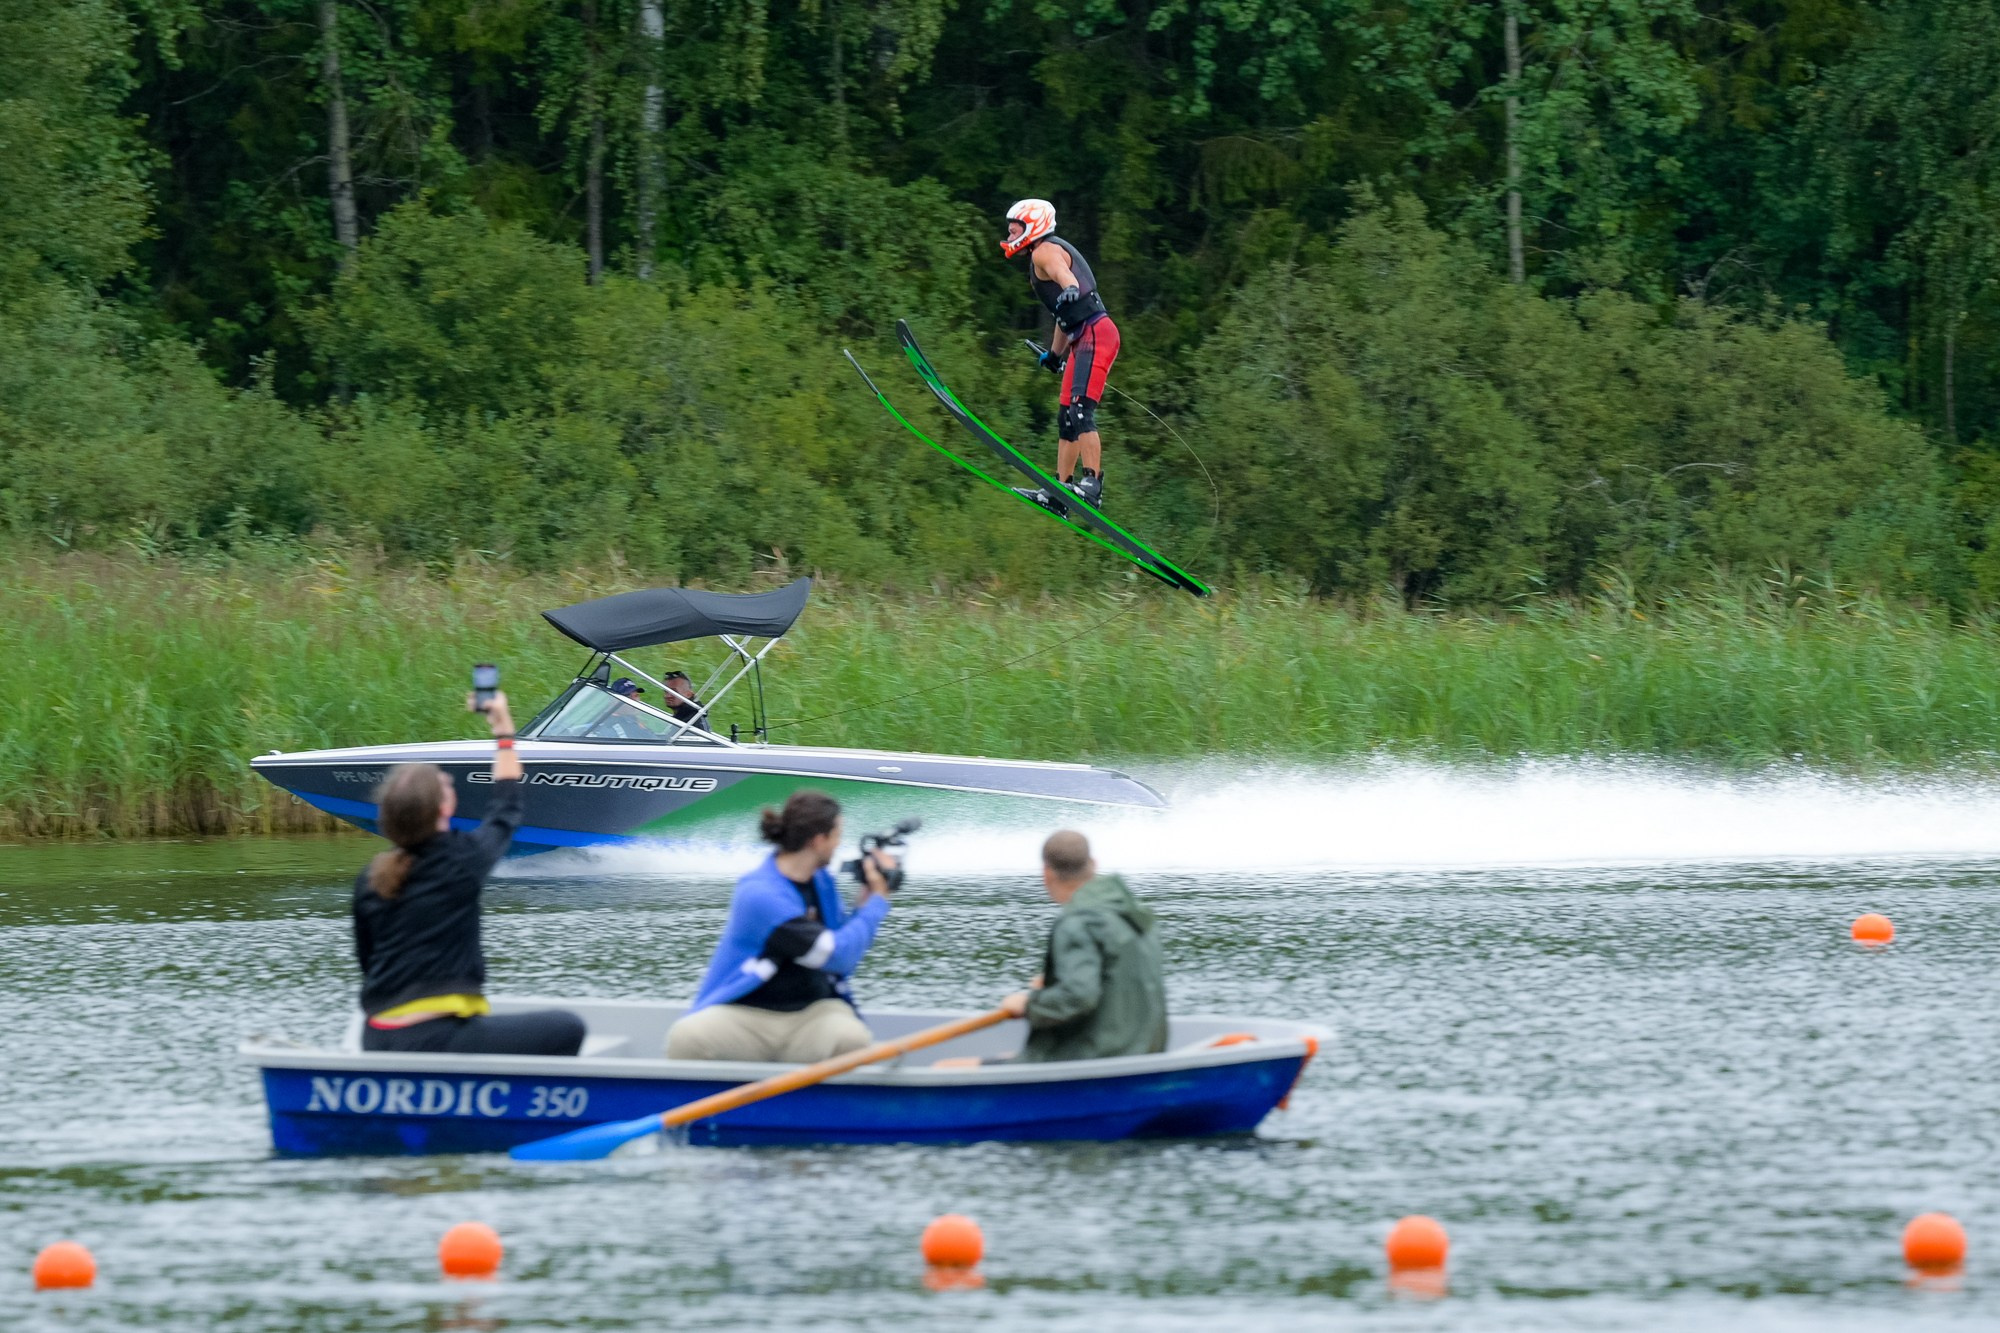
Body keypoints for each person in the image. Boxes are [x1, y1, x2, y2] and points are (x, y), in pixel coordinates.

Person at [351, 687, 585, 1055]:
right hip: (434, 1039)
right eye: (447, 787)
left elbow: (368, 962)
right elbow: (506, 807)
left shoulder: (370, 876)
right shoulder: (461, 860)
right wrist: (504, 731)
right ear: (444, 808)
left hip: (377, 1037)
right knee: (568, 1027)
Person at [665, 790, 898, 1062]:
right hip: (747, 1017)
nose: (839, 844)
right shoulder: (760, 894)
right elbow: (835, 955)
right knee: (688, 1037)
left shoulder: (821, 881)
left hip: (812, 1015)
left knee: (851, 1039)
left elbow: (843, 941)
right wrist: (878, 902)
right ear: (819, 840)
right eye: (837, 835)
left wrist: (864, 904)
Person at [1000, 830, 1166, 1062]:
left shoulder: (1078, 922)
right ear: (1093, 864)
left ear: (1046, 874)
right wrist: (1055, 979)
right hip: (1145, 1048)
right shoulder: (1134, 913)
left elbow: (1077, 997)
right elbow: (1117, 974)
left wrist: (1029, 1005)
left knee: (950, 1065)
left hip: (1101, 1055)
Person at [999, 198, 1120, 508]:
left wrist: (1068, 286)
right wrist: (1054, 355)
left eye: (1014, 231)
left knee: (1081, 411)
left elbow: (1065, 277)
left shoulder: (1045, 251)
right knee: (1066, 417)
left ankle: (1091, 485)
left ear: (1033, 227)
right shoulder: (1037, 258)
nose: (1010, 237)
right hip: (1081, 338)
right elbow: (1063, 317)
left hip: (1097, 335)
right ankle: (1059, 492)